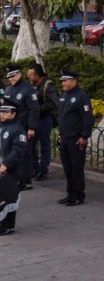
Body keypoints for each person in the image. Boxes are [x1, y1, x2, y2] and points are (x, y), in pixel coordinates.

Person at [0, 104, 29, 235]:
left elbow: (18, 149)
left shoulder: (18, 129)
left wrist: (7, 164)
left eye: (6, 112)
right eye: (1, 112)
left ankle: (9, 225)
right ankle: (2, 223)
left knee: (8, 197)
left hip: (9, 169)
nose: (2, 114)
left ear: (14, 113)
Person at [55, 70, 93, 206]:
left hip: (76, 139)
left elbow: (88, 118)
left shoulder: (81, 96)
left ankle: (78, 195)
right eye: (62, 80)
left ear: (74, 81)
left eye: (65, 80)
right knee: (67, 167)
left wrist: (84, 136)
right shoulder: (65, 95)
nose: (63, 83)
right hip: (64, 138)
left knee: (76, 168)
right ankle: (70, 193)